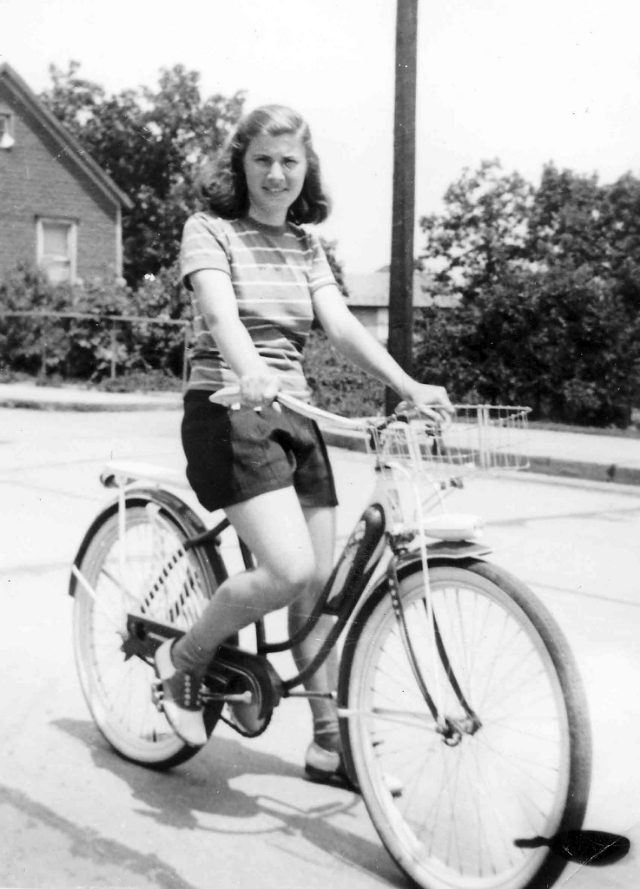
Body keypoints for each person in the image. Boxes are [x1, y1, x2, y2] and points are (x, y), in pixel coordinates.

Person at [154, 104, 452, 784]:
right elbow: (219, 313)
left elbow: (341, 326)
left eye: (289, 161)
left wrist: (407, 385)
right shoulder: (209, 229)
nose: (276, 173)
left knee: (316, 588)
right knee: (289, 570)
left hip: (293, 411)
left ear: (305, 168)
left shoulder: (305, 245)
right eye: (262, 159)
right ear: (241, 165)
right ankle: (186, 658)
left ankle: (328, 745)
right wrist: (249, 369)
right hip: (228, 407)